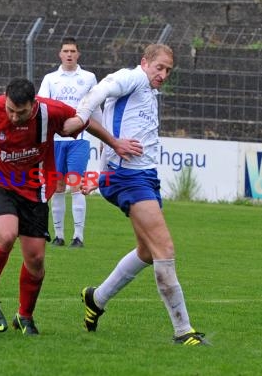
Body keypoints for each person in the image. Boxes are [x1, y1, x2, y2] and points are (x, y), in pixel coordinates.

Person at [0, 78, 142, 335]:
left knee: (36, 258)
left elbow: (85, 122)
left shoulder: (50, 111)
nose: (13, 116)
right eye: (10, 109)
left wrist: (115, 143)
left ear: (33, 105)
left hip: (35, 186)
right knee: (6, 235)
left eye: (20, 112)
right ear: (5, 99)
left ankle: (25, 316)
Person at [73, 44, 209, 345]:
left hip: (140, 177)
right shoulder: (132, 78)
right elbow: (102, 90)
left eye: (168, 70)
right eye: (158, 67)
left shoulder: (148, 92)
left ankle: (96, 298)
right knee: (165, 249)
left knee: (147, 252)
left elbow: (119, 129)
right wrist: (81, 115)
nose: (162, 74)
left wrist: (102, 172)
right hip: (128, 180)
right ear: (144, 62)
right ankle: (183, 331)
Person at [38, 37, 101, 248]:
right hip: (55, 140)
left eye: (73, 50)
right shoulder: (50, 79)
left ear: (78, 54)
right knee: (57, 186)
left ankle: (78, 236)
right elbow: (43, 106)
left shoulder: (89, 78)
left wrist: (104, 137)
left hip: (79, 140)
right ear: (60, 53)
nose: (69, 54)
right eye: (65, 50)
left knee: (75, 184)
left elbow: (96, 108)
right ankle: (59, 235)